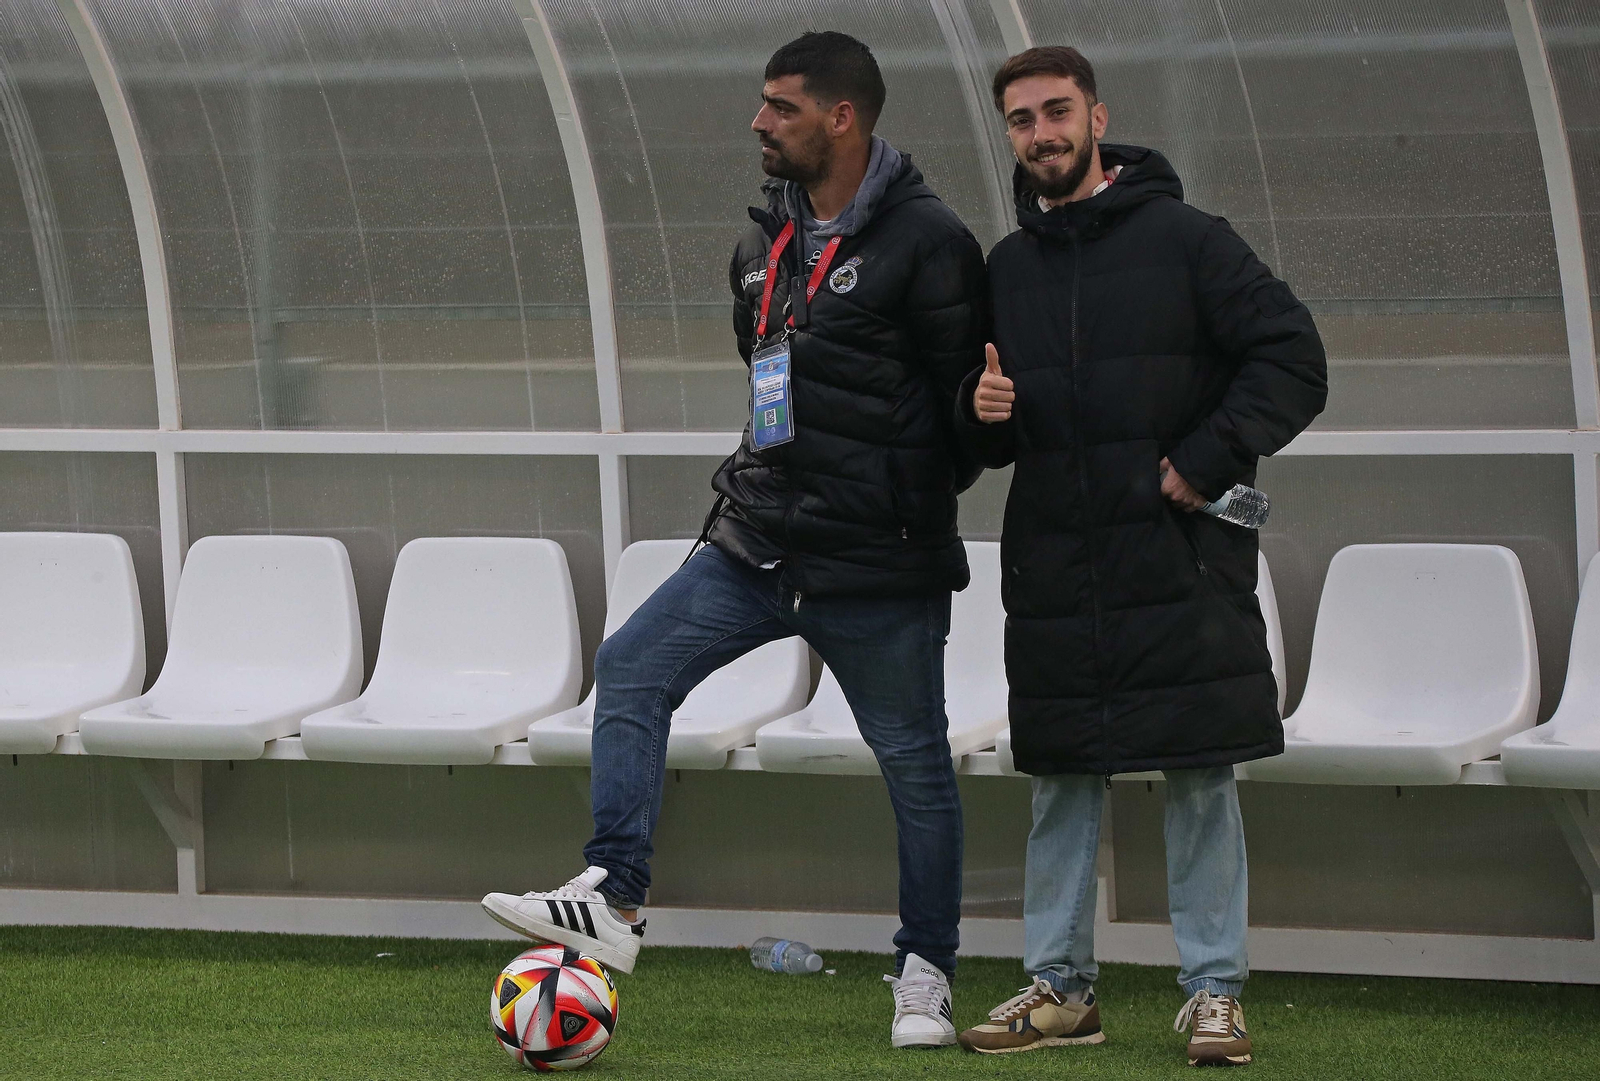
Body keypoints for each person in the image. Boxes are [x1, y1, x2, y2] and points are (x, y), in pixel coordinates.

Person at [482, 31, 989, 1048]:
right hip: (757, 540)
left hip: (877, 561)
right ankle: (614, 899)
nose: (759, 122)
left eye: (782, 107)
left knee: (915, 767)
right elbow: (768, 390)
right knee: (630, 666)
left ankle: (924, 971)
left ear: (841, 118)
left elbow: (974, 424)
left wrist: (905, 486)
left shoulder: (930, 241)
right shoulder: (761, 245)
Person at [952, 46, 1327, 1066]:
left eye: (1056, 112)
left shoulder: (1189, 241)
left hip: (1179, 560)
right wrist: (977, 412)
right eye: (1022, 121)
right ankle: (1061, 990)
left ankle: (1214, 994)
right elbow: (986, 429)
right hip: (1057, 570)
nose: (1042, 134)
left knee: (1200, 773)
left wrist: (1203, 462)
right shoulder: (1007, 268)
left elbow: (1292, 357)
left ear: (1097, 116)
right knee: (1062, 779)